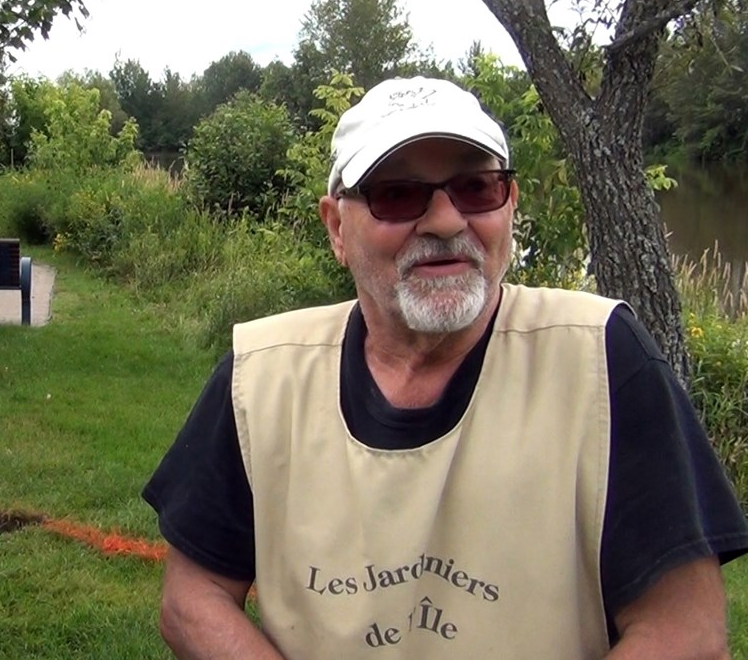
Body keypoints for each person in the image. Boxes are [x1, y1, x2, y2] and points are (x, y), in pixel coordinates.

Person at [143, 76, 748, 659]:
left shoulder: (602, 362)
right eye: (398, 194)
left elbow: (687, 635)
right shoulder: (262, 375)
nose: (446, 221)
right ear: (336, 227)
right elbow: (193, 599)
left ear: (509, 204)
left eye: (476, 189)